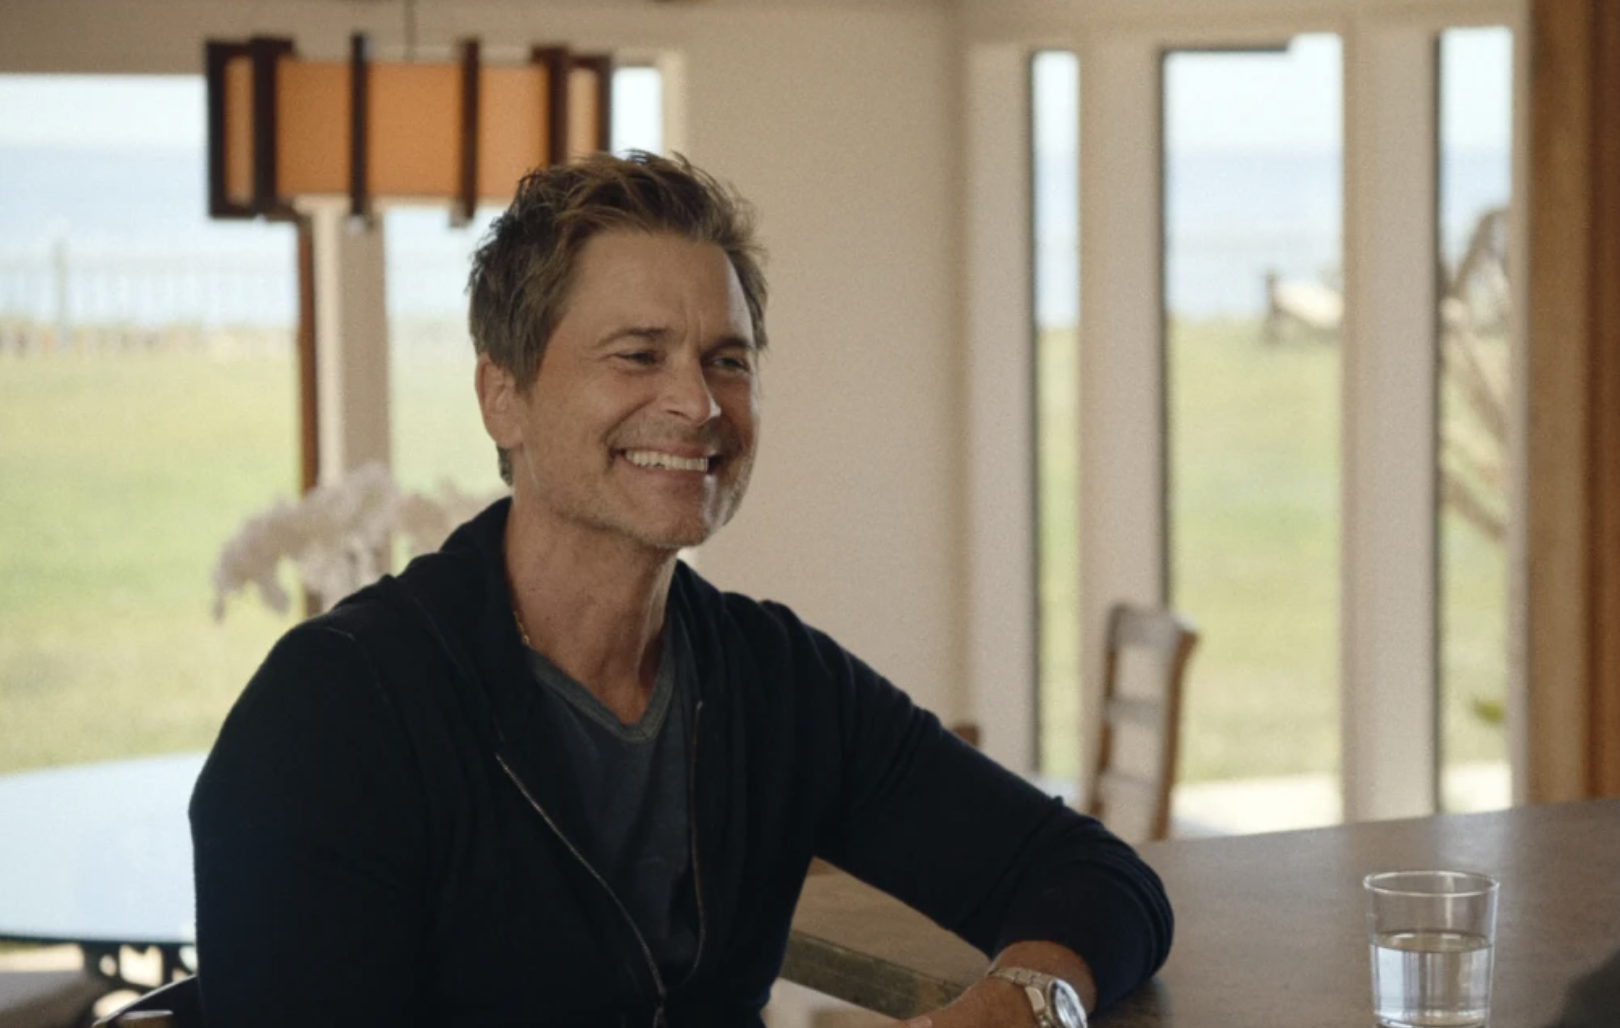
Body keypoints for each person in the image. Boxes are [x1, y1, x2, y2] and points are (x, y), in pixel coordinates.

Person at [190, 151, 1173, 1027]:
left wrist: (1022, 1004)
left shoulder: (776, 680)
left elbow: (1096, 877)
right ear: (505, 395)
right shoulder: (333, 710)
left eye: (727, 360)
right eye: (637, 352)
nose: (697, 403)